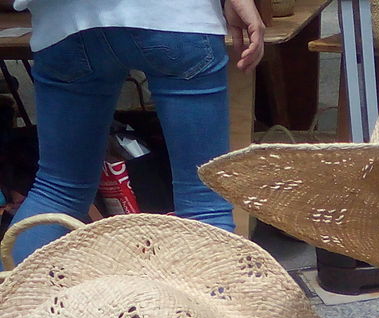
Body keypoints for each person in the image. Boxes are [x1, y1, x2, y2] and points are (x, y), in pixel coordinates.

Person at [8, 0, 266, 263]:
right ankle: (214, 287)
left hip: (63, 22)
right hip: (171, 15)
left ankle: (13, 288)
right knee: (204, 202)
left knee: (56, 192)